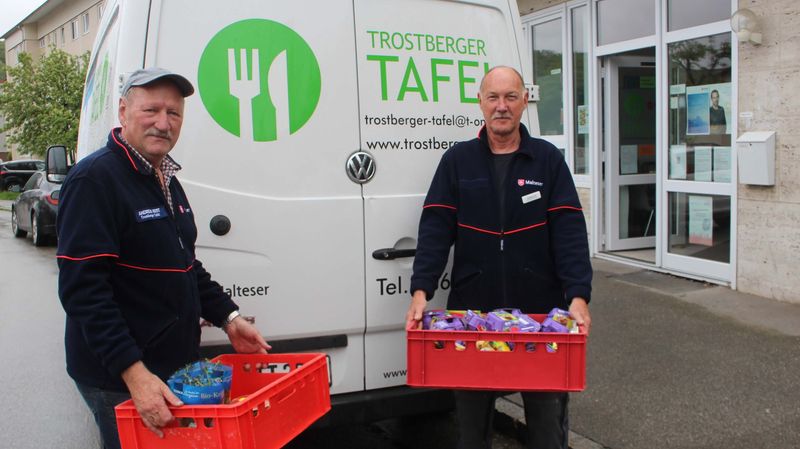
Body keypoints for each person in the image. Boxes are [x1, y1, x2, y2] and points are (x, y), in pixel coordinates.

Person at [56, 67, 270, 449]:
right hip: (119, 379)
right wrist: (134, 374)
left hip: (168, 368)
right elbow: (84, 291)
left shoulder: (165, 178)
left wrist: (230, 318)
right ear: (123, 112)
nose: (163, 123)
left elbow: (186, 264)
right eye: (151, 110)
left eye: (173, 113)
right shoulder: (95, 180)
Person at [405, 66, 592, 449]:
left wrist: (578, 296)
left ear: (524, 101)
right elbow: (435, 229)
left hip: (540, 319)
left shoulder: (547, 160)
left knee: (547, 431)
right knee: (471, 433)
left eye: (510, 97)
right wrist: (421, 291)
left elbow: (569, 232)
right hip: (473, 317)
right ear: (480, 102)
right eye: (493, 97)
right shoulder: (458, 161)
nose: (501, 106)